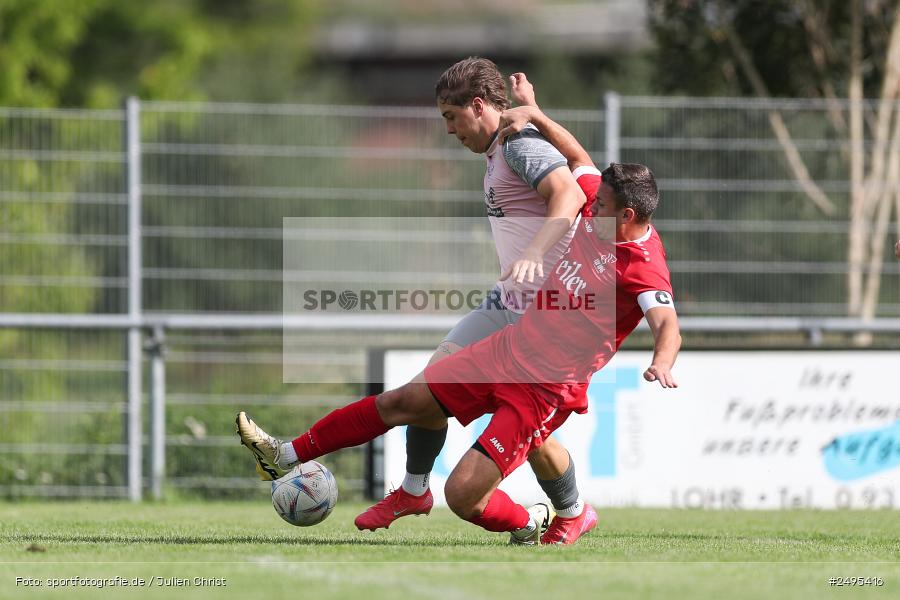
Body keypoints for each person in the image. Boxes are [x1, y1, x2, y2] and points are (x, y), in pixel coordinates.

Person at [237, 150, 681, 544]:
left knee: (463, 496)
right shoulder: (598, 200)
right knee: (404, 400)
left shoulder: (644, 267)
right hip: (507, 349)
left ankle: (530, 523)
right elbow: (577, 156)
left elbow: (666, 324)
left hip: (542, 390)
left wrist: (662, 361)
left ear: (626, 216)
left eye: (600, 206)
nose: (590, 208)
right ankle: (284, 454)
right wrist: (536, 112)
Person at [349, 57, 592, 542]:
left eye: (450, 117)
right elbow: (584, 167)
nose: (448, 130)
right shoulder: (504, 145)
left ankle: (574, 511)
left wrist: (535, 253)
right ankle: (415, 489)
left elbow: (571, 194)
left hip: (547, 319)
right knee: (428, 389)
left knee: (532, 432)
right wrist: (537, 111)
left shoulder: (519, 144)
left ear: (478, 106)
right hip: (505, 305)